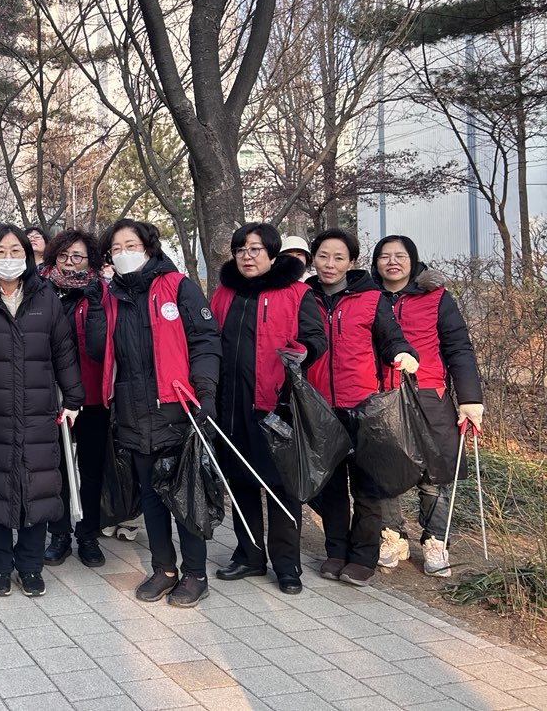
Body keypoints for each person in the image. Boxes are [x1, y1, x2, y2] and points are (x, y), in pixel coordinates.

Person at [89, 219, 221, 608]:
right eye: (115, 248)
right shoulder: (112, 295)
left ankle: (195, 573)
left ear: (148, 247)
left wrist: (206, 391)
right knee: (150, 494)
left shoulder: (178, 286)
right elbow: (99, 349)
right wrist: (99, 302)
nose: (123, 253)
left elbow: (205, 340)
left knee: (185, 492)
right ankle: (164, 568)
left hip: (177, 406)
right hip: (132, 407)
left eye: (130, 244)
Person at [0, 224, 84, 598]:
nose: (9, 258)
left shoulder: (45, 296)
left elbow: (63, 350)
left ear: (28, 257)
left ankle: (30, 564)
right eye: (0, 251)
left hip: (39, 410)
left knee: (39, 486)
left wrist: (74, 399)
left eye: (16, 251)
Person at [209, 223, 326, 595]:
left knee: (280, 487)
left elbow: (316, 339)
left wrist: (303, 352)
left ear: (273, 255)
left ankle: (286, 564)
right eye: (241, 248)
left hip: (277, 405)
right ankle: (249, 554)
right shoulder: (223, 294)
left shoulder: (296, 293)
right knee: (241, 481)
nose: (247, 255)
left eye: (255, 249)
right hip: (230, 405)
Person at [306, 228, 418, 587]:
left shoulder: (371, 298)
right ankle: (336, 551)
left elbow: (392, 339)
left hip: (366, 407)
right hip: (321, 407)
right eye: (323, 256)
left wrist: (403, 354)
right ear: (313, 258)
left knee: (367, 487)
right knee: (332, 486)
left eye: (339, 257)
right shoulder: (305, 297)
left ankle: (363, 556)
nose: (330, 264)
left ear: (351, 262)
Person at [371, 235, 483, 577]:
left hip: (429, 392)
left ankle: (436, 540)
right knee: (384, 468)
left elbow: (458, 348)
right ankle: (392, 535)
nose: (393, 261)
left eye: (400, 255)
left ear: (413, 260)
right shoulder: (366, 296)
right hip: (382, 394)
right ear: (375, 263)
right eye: (385, 256)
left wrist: (469, 398)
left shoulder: (436, 297)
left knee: (436, 470)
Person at [41, 228, 111, 569]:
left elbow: (101, 345)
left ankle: (88, 533)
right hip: (52, 395)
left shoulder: (101, 292)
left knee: (91, 468)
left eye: (78, 257)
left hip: (93, 395)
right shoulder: (42, 291)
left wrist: (94, 300)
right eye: (64, 256)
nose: (70, 263)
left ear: (92, 260)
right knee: (55, 468)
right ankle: (59, 534)